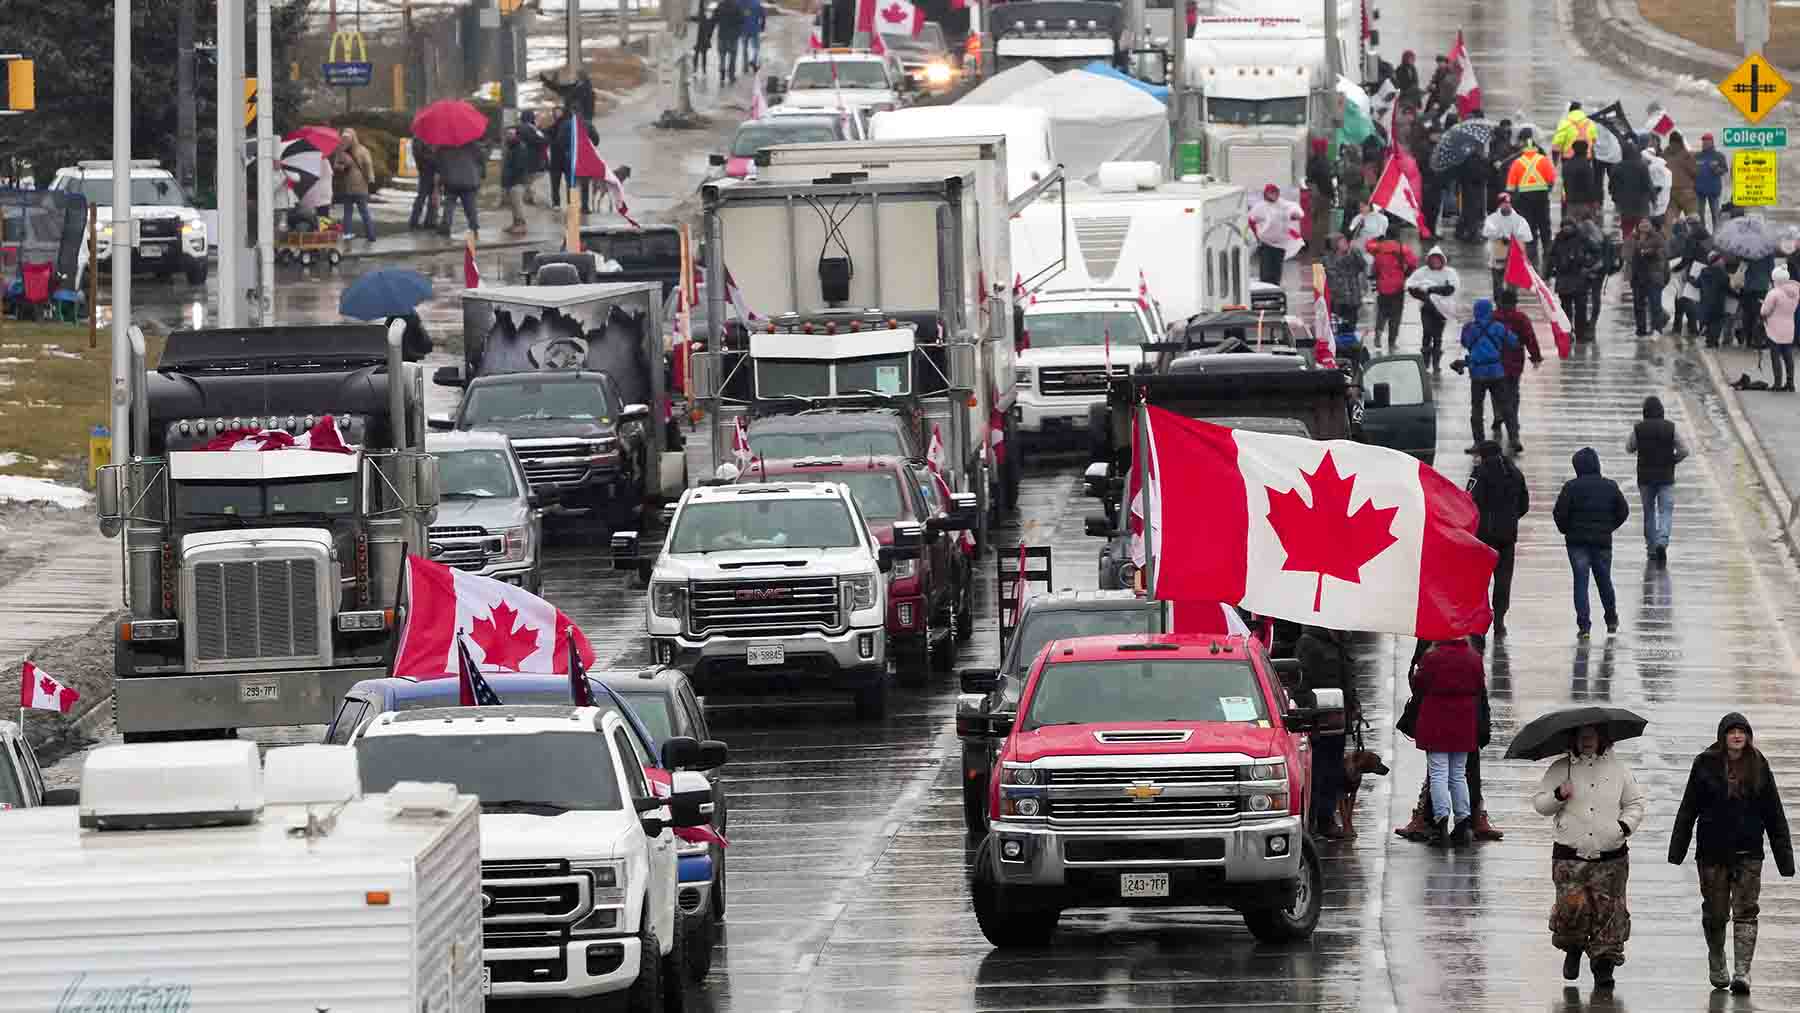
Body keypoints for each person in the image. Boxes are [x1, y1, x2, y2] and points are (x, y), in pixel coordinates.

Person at [1670, 713, 1795, 993]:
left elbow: (1774, 814)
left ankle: (1742, 971)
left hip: (1748, 853)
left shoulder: (1759, 765)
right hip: (1712, 854)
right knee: (1715, 914)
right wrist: (1677, 849)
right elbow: (1688, 809)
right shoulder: (1704, 765)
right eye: (1732, 731)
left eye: (1742, 731)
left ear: (1748, 736)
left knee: (1747, 911)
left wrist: (1784, 858)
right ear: (1723, 736)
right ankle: (1717, 959)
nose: (1737, 736)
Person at [1533, 724, 1648, 988]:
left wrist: (1623, 827)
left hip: (1610, 856)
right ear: (1573, 739)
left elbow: (1635, 804)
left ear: (1601, 739)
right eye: (1582, 736)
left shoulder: (1619, 769)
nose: (1587, 741)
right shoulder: (1561, 768)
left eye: (1591, 736)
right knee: (1573, 908)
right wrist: (1558, 795)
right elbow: (1540, 805)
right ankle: (1573, 949)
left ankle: (1603, 966)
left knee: (1609, 912)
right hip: (1569, 855)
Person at [1410, 637, 1486, 847]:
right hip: (1463, 720)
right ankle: (1463, 822)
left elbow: (1419, 684)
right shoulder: (1473, 657)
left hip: (1436, 719)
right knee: (1458, 774)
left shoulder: (1432, 657)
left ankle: (1441, 822)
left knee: (1438, 773)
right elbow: (1479, 685)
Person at [1552, 447, 1629, 638]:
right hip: (1602, 542)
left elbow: (1559, 514)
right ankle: (1611, 619)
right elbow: (1623, 511)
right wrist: (1608, 527)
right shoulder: (1610, 486)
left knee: (1581, 583)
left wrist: (1567, 530)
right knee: (1604, 582)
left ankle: (1584, 626)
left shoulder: (1570, 487)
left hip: (1577, 543)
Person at [1296, 626, 1356, 839]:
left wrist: (1354, 705)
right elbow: (1301, 682)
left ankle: (1327, 820)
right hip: (1318, 721)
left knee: (1333, 772)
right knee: (1317, 772)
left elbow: (1348, 678)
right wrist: (1309, 713)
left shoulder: (1342, 641)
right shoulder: (1309, 642)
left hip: (1338, 720)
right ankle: (1313, 821)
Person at [1468, 440, 1528, 636]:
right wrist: (1510, 518)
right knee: (1503, 580)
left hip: (1483, 537)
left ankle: (1480, 617)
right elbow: (1524, 504)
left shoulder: (1479, 473)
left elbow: (1468, 499)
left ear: (1484, 455)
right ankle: (1499, 620)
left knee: (1479, 580)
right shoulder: (1515, 473)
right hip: (1507, 536)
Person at [1626, 395, 1688, 564]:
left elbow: (1629, 447)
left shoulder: (1639, 429)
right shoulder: (1671, 428)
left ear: (1644, 411)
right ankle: (1662, 541)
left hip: (1645, 478)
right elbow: (1684, 450)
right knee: (1665, 511)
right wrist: (1673, 460)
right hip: (1666, 477)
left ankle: (1651, 548)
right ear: (1661, 411)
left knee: (1649, 512)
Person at [1457, 297, 1517, 452]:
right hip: (1497, 372)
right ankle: (1514, 439)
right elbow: (1513, 342)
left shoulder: (1469, 328)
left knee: (1477, 408)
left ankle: (1479, 442)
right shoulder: (1498, 327)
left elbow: (1464, 343)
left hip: (1477, 374)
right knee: (1506, 407)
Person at [1490, 288, 1542, 451]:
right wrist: (1535, 357)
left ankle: (1498, 414)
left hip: (1495, 364)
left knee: (1496, 392)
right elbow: (1530, 338)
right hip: (1514, 365)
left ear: (1498, 302)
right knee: (1512, 395)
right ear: (1515, 303)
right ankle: (1513, 429)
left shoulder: (1492, 318)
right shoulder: (1521, 318)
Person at [1505, 133, 1555, 267]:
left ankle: (1532, 255)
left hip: (1524, 199)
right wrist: (1546, 189)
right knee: (1544, 224)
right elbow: (1551, 179)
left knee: (1530, 226)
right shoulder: (1543, 160)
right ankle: (1547, 250)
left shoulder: (1517, 162)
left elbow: (1510, 186)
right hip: (1541, 196)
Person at [1406, 245, 1459, 372]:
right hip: (1427, 309)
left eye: (1437, 259)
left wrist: (1432, 289)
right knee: (1427, 332)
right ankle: (1425, 364)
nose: (1435, 262)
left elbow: (1451, 288)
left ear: (1442, 259)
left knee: (1438, 336)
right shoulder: (1422, 272)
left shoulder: (1449, 272)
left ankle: (1436, 364)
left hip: (1442, 310)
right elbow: (1410, 286)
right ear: (1428, 260)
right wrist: (1423, 295)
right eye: (1432, 259)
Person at [1548, 218, 1597, 343]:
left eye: (1569, 226)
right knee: (1565, 309)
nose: (1567, 228)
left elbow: (1596, 252)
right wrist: (1553, 268)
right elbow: (1551, 256)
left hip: (1579, 279)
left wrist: (1587, 265)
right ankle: (1568, 333)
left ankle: (1581, 334)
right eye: (1564, 226)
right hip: (1564, 279)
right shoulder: (1558, 240)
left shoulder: (1582, 239)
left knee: (1581, 308)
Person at [1367, 233, 1418, 349]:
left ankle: (1378, 336)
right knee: (1395, 315)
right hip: (1397, 286)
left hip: (1382, 286)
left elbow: (1368, 246)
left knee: (1381, 313)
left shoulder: (1378, 247)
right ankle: (1392, 342)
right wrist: (1406, 274)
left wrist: (1376, 238)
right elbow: (1413, 263)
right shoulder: (1402, 248)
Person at [330, 128, 378, 242]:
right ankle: (370, 235)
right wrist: (371, 179)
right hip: (358, 186)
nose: (346, 140)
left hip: (350, 187)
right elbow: (368, 165)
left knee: (348, 212)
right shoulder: (361, 150)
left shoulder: (341, 151)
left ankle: (348, 234)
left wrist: (341, 167)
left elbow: (335, 166)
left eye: (347, 138)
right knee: (363, 212)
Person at [1249, 184, 1302, 285]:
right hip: (1266, 243)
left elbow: (1291, 217)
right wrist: (1257, 235)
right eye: (1271, 193)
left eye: (1275, 193)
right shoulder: (1260, 207)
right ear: (1266, 194)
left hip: (1280, 243)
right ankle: (1266, 288)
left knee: (1277, 269)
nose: (1274, 195)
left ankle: (1275, 286)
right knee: (1266, 268)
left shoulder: (1283, 206)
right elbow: (1251, 221)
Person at [1482, 194, 1533, 295]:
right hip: (1497, 256)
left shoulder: (1519, 220)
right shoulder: (1492, 219)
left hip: (1514, 257)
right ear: (1499, 204)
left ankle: (1511, 303)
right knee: (1497, 284)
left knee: (1513, 284)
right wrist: (1502, 237)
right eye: (1504, 203)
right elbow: (1487, 232)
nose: (1506, 205)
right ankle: (1499, 303)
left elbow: (1526, 237)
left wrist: (1512, 240)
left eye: (1508, 203)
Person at [1760, 265, 1800, 391]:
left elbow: (1764, 311)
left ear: (1775, 279)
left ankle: (1777, 384)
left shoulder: (1774, 293)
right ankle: (1790, 383)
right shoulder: (1795, 293)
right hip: (1789, 327)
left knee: (1775, 356)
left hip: (1774, 329)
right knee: (1788, 355)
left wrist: (1763, 305)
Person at [1628, 219, 1670, 336]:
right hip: (1637, 277)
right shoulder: (1633, 238)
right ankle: (1641, 330)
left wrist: (1650, 252)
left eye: (1647, 224)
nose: (1644, 226)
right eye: (1641, 224)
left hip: (1653, 277)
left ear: (1651, 226)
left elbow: (1663, 254)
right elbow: (1626, 254)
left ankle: (1656, 330)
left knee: (1655, 305)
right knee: (1638, 306)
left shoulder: (1657, 238)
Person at [436, 141, 483, 239]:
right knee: (470, 207)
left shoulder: (443, 147)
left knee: (449, 205)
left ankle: (446, 227)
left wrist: (440, 183)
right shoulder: (472, 145)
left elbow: (440, 165)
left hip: (451, 180)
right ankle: (474, 229)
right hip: (469, 180)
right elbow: (480, 160)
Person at [1610, 141, 1654, 246]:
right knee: (1643, 230)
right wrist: (1653, 198)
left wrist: (1616, 199)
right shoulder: (1642, 166)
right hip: (1641, 204)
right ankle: (1642, 250)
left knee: (1627, 230)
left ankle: (1628, 252)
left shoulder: (1616, 167)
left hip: (1624, 205)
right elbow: (1648, 184)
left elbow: (1612, 187)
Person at [1323, 233, 1367, 331]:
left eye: (1345, 241)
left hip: (1353, 296)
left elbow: (1362, 266)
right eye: (1342, 242)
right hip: (1339, 298)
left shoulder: (1353, 254)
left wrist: (1355, 252)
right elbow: (1336, 271)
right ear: (1334, 244)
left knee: (1352, 325)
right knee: (1340, 325)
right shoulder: (1328, 259)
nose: (1345, 243)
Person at [1305, 138, 1336, 255]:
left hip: (1313, 194)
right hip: (1323, 195)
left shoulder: (1312, 160)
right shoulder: (1323, 161)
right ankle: (1319, 249)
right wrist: (1332, 195)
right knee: (1322, 223)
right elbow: (1327, 180)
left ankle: (1313, 249)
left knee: (1314, 221)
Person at [500, 126, 533, 236]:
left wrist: (511, 180)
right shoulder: (510, 147)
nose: (508, 135)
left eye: (511, 133)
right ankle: (515, 224)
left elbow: (518, 167)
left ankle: (521, 225)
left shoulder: (520, 147)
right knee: (513, 204)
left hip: (517, 181)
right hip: (511, 181)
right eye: (507, 133)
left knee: (517, 204)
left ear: (516, 135)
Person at [1695, 133, 1730, 232]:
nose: (1704, 143)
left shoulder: (1719, 156)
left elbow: (1724, 171)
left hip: (1713, 191)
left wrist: (1716, 168)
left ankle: (1717, 235)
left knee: (1715, 214)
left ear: (1712, 142)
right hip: (1699, 191)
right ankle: (1702, 235)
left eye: (1706, 141)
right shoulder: (1697, 156)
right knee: (1699, 215)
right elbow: (1691, 171)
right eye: (1703, 141)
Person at [1562, 140, 1602, 223]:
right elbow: (1589, 185)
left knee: (1572, 227)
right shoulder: (1586, 165)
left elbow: (1565, 184)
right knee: (1585, 228)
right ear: (1586, 150)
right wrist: (1594, 201)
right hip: (1584, 203)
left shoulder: (1567, 165)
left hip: (1571, 201)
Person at [1699, 251, 1732, 347]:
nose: (1723, 262)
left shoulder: (1703, 271)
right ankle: (1713, 341)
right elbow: (1727, 289)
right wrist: (1739, 295)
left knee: (1709, 321)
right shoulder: (1723, 274)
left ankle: (1709, 341)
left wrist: (1689, 278)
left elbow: (1697, 284)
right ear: (1716, 261)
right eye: (1721, 260)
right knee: (1717, 323)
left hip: (1705, 302)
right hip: (1718, 303)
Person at [1664, 130, 1700, 220]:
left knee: (1670, 221)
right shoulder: (1686, 155)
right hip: (1684, 192)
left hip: (1673, 191)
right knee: (1693, 220)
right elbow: (1695, 172)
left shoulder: (1665, 154)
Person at [1336, 143, 1368, 235]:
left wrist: (1343, 166)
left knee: (1350, 226)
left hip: (1353, 199)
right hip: (1358, 199)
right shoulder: (1359, 166)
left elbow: (1343, 180)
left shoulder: (1353, 168)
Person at [408, 141, 439, 231]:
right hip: (426, 171)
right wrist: (434, 157)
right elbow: (419, 155)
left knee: (433, 196)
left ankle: (430, 221)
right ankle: (414, 221)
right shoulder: (420, 139)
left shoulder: (431, 137)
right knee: (422, 196)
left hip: (433, 170)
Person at [714, 0, 744, 87]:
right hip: (733, 37)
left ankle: (722, 76)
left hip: (722, 36)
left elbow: (714, 19)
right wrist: (738, 32)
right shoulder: (737, 6)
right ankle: (731, 76)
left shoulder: (720, 5)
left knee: (722, 56)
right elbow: (741, 20)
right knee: (732, 57)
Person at [741, 0, 765, 73]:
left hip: (743, 29)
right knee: (756, 48)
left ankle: (745, 67)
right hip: (754, 29)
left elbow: (735, 15)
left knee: (744, 48)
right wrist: (762, 27)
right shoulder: (757, 3)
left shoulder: (738, 2)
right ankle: (753, 61)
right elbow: (763, 16)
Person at [693, 3, 716, 78]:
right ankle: (704, 71)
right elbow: (709, 27)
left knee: (696, 54)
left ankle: (695, 70)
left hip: (697, 39)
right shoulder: (705, 17)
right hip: (704, 38)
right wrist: (709, 37)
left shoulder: (696, 17)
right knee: (704, 55)